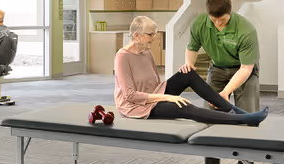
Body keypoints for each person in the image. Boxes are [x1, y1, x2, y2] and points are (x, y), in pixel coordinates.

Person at [114, 16, 268, 127]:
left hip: (154, 95)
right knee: (185, 106)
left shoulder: (146, 52)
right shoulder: (122, 57)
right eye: (151, 34)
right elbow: (130, 95)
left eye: (155, 33)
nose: (154, 38)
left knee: (187, 73)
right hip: (136, 107)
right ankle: (244, 119)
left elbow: (155, 83)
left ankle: (235, 111)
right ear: (136, 36)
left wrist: (165, 94)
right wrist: (167, 98)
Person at [180, 0, 262, 164]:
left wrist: (225, 92)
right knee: (208, 118)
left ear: (230, 13)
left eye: (223, 20)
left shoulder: (246, 30)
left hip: (244, 72)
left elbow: (245, 68)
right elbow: (192, 48)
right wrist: (188, 65)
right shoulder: (200, 22)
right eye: (214, 20)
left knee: (247, 121)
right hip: (216, 69)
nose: (218, 24)